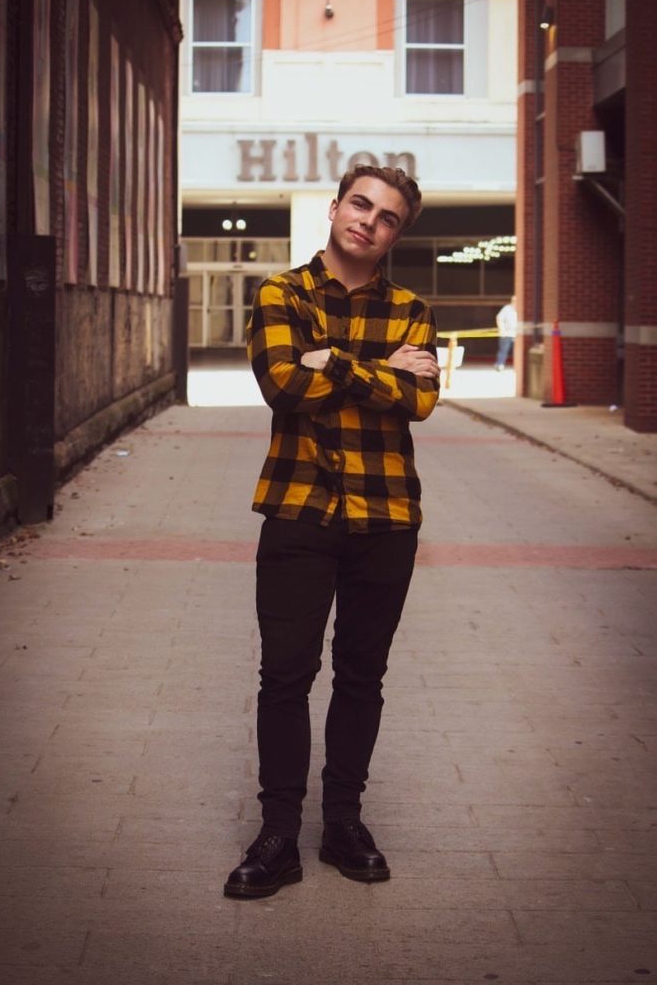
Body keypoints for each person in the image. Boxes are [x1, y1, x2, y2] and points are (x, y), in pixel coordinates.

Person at [224, 165, 441, 900]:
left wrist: (336, 362)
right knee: (284, 676)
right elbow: (282, 385)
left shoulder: (412, 308)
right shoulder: (281, 294)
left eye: (386, 217)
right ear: (335, 207)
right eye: (360, 204)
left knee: (361, 675)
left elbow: (420, 400)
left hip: (387, 517)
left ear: (395, 235)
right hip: (298, 509)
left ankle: (344, 822)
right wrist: (380, 371)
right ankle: (279, 835)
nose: (368, 222)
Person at [495, 296, 517, 370]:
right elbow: (499, 318)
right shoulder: (507, 309)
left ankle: (516, 366)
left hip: (516, 334)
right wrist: (502, 329)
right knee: (503, 350)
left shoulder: (520, 309)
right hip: (507, 333)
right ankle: (500, 364)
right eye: (515, 301)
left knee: (517, 351)